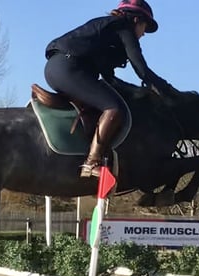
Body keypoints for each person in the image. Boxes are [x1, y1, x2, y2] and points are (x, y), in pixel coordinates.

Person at [44, 0, 174, 177]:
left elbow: (109, 79)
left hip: (55, 68)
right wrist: (165, 87)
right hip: (69, 69)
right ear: (136, 20)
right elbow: (141, 68)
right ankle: (92, 161)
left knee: (107, 99)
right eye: (145, 27)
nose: (144, 34)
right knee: (113, 108)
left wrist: (137, 91)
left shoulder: (106, 29)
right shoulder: (124, 28)